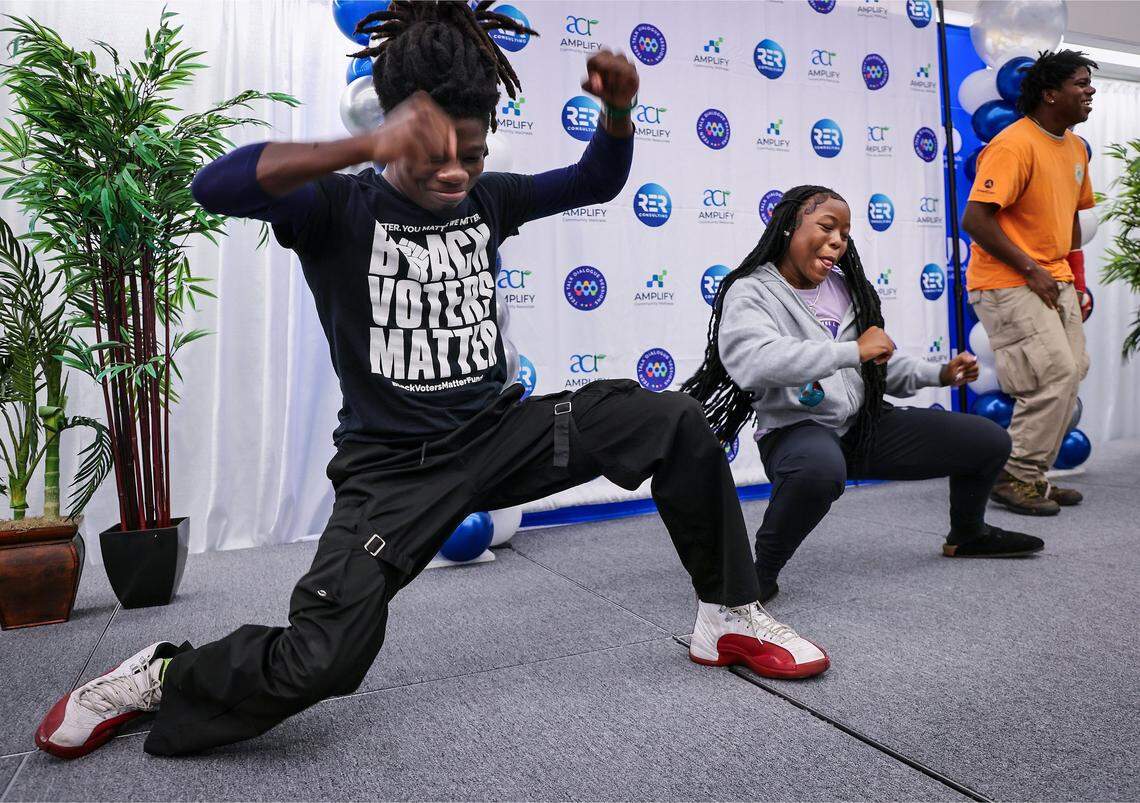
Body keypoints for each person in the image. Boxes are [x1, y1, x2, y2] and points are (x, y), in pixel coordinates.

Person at [35, 1, 828, 761]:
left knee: (673, 420)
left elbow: (596, 181)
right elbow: (218, 186)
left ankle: (726, 611)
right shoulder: (335, 208)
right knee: (323, 660)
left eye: (472, 154)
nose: (455, 173)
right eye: (432, 155)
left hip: (505, 437)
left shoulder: (488, 200)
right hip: (394, 474)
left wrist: (618, 115)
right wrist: (359, 149)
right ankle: (161, 673)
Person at [683, 186, 1044, 603]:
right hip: (796, 429)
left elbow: (875, 367)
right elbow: (753, 361)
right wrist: (850, 351)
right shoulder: (752, 291)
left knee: (988, 440)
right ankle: (757, 573)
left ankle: (968, 534)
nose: (838, 239)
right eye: (827, 226)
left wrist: (939, 373)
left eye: (845, 232)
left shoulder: (846, 287)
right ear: (788, 228)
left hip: (864, 425)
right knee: (818, 470)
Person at [961, 50, 1097, 516]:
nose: (1090, 91)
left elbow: (1070, 226)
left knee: (1072, 371)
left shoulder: (1075, 148)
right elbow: (976, 219)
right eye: (1080, 83)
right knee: (1054, 374)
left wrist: (1072, 282)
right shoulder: (1014, 144)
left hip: (1053, 279)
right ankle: (1015, 476)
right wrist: (1032, 269)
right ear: (1050, 93)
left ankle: (1031, 477)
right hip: (1007, 280)